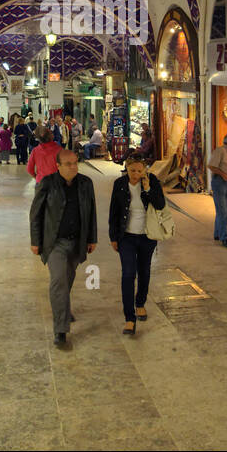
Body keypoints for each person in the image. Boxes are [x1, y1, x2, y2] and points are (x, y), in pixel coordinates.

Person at [29, 149, 98, 348]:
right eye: (68, 164)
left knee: (68, 279)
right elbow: (36, 214)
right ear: (58, 166)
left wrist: (91, 238)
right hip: (55, 242)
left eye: (75, 163)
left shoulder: (86, 184)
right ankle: (61, 328)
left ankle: (63, 308)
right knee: (58, 281)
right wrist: (36, 241)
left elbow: (91, 211)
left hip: (77, 241)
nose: (73, 167)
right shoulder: (48, 183)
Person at [109, 154, 165, 335]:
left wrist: (148, 190)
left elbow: (160, 205)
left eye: (139, 170)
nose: (135, 174)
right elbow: (114, 213)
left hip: (147, 236)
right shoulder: (120, 184)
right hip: (126, 237)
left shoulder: (152, 181)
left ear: (145, 169)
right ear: (127, 167)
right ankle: (129, 318)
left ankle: (140, 302)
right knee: (127, 274)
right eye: (132, 170)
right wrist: (113, 237)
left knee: (144, 271)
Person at [207, 133, 227, 247]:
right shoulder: (220, 151)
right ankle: (224, 237)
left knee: (224, 209)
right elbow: (211, 166)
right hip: (220, 182)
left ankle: (218, 233)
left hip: (226, 183)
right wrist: (223, 174)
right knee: (222, 210)